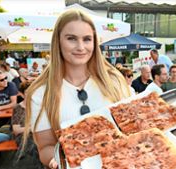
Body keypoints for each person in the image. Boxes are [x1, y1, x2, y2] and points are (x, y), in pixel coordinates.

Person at [23, 9, 130, 168]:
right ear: (58, 41)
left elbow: (132, 130)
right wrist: (57, 161)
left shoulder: (114, 81)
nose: (81, 47)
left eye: (87, 39)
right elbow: (45, 147)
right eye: (71, 39)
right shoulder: (40, 92)